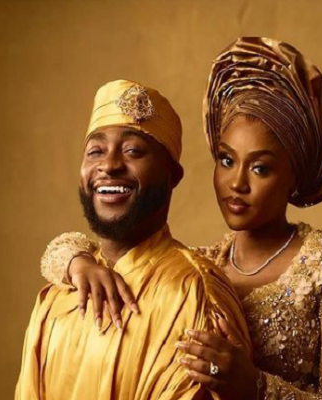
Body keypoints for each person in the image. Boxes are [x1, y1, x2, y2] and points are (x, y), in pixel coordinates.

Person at [40, 38, 322, 400]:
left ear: (295, 175)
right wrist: (77, 262)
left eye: (260, 168)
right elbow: (78, 251)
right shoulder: (203, 266)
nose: (237, 183)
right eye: (227, 161)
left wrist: (255, 387)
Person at [15, 79, 251, 400]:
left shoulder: (196, 292)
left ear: (172, 176)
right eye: (95, 151)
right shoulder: (55, 299)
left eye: (133, 151)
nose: (109, 165)